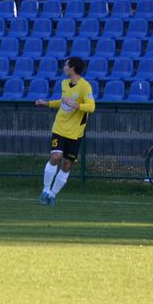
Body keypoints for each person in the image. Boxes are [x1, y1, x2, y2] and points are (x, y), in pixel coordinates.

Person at [36, 56, 96, 205]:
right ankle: (45, 190)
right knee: (55, 156)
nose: (64, 68)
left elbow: (91, 107)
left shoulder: (85, 86)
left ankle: (52, 195)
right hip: (60, 127)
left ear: (73, 68)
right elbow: (63, 103)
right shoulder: (64, 83)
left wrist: (74, 104)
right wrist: (47, 103)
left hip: (75, 133)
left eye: (66, 65)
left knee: (67, 164)